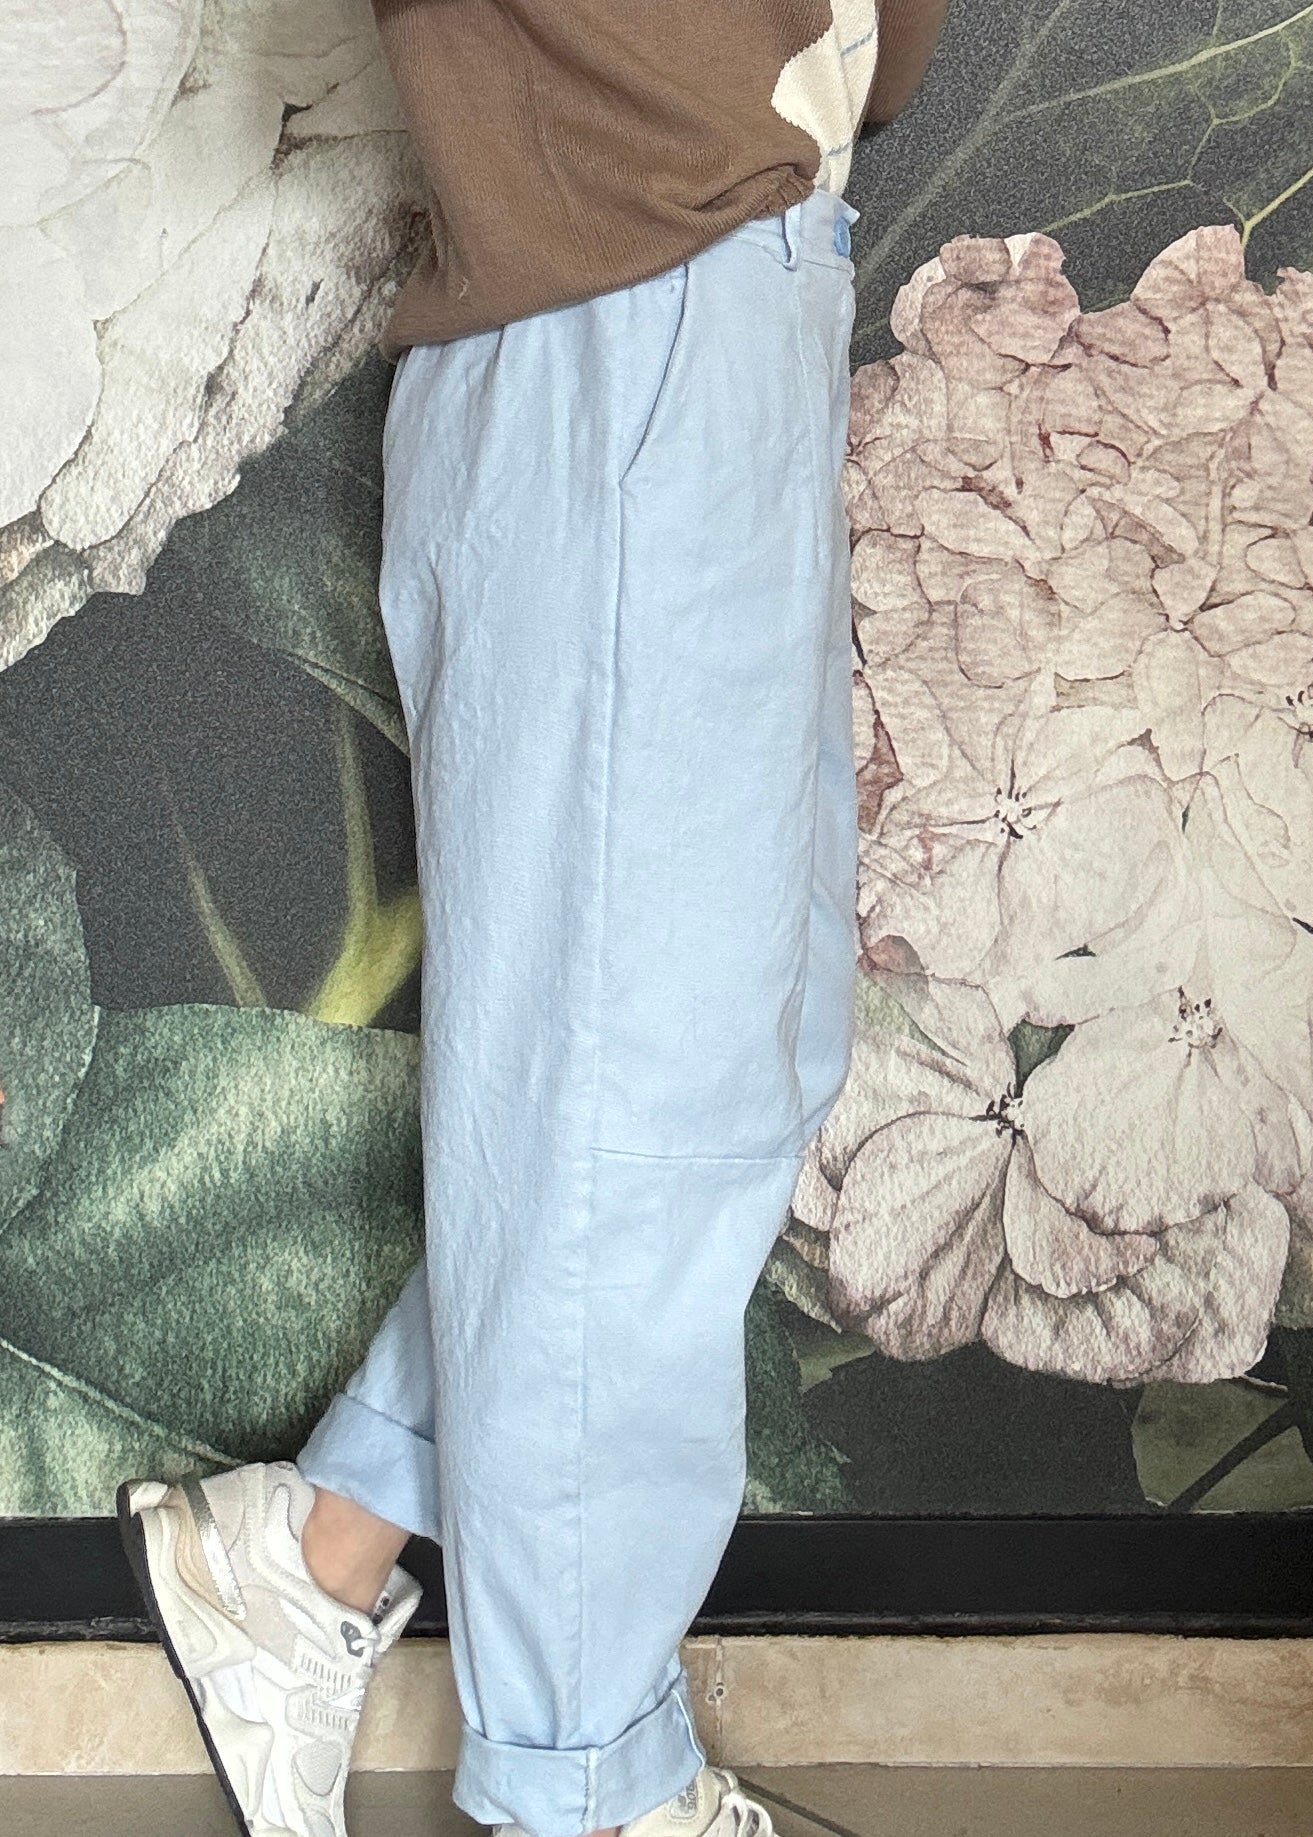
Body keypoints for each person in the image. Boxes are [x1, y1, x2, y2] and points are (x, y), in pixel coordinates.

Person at [115, 5, 948, 1835]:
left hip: (733, 276)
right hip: (630, 291)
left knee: (731, 1065)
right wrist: (678, 129)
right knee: (635, 1106)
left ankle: (314, 1550)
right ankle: (583, 1786)